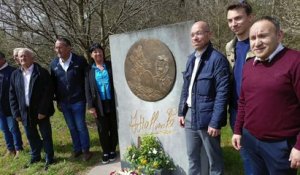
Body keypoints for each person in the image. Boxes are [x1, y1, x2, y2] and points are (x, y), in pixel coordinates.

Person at [232, 16, 300, 175]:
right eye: (253, 38)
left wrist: (298, 146)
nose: (257, 42)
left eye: (263, 36)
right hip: (250, 140)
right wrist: (237, 130)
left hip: (280, 147)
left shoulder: (295, 62)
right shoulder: (249, 66)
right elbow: (243, 101)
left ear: (279, 35)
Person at [178, 21, 230, 175]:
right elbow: (186, 88)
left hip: (208, 119)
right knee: (192, 158)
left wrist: (215, 122)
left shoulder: (218, 60)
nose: (195, 37)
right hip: (189, 117)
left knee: (214, 160)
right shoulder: (191, 59)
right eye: (193, 35)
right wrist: (181, 112)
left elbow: (222, 93)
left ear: (209, 34)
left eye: (199, 33)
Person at [9, 48, 55, 170]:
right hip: (25, 112)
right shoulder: (15, 74)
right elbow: (12, 95)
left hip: (40, 112)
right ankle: (35, 156)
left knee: (46, 135)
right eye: (20, 57)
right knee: (31, 135)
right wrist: (16, 113)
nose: (22, 58)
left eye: (25, 56)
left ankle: (49, 157)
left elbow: (48, 93)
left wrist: (43, 111)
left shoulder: (41, 72)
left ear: (32, 57)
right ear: (18, 59)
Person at [50, 38, 92, 161]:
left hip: (78, 100)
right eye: (56, 47)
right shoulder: (53, 64)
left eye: (60, 47)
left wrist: (88, 99)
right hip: (63, 102)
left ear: (69, 48)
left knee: (80, 126)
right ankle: (77, 149)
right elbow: (54, 84)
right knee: (71, 127)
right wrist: (57, 101)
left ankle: (86, 150)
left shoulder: (79, 60)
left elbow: (86, 80)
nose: (58, 50)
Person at [225, 1, 254, 174]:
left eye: (238, 18)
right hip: (236, 111)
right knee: (247, 158)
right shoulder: (230, 47)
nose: (233, 24)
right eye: (230, 20)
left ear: (250, 17)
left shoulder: (261, 44)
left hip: (257, 110)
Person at [85, 43, 118, 164]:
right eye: (95, 52)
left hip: (112, 101)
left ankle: (113, 149)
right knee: (102, 128)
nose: (98, 53)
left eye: (99, 51)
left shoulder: (110, 65)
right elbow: (87, 88)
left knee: (113, 127)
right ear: (91, 55)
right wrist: (90, 106)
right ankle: (105, 151)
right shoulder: (89, 69)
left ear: (103, 53)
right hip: (98, 104)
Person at [0, 51, 23, 158]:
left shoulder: (13, 71)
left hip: (10, 107)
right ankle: (10, 149)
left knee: (13, 129)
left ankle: (18, 148)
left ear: (2, 59)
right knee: (4, 129)